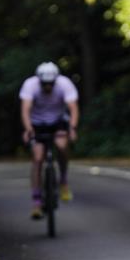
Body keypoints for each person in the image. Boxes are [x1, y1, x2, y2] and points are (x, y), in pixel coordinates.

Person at [19, 62, 80, 219]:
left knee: (62, 146)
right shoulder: (30, 85)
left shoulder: (64, 84)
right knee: (38, 158)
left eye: (50, 84)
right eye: (44, 84)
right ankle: (36, 200)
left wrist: (72, 128)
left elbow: (73, 108)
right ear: (39, 80)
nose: (48, 87)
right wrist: (28, 129)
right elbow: (25, 109)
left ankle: (63, 180)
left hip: (58, 121)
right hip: (37, 123)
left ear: (55, 80)